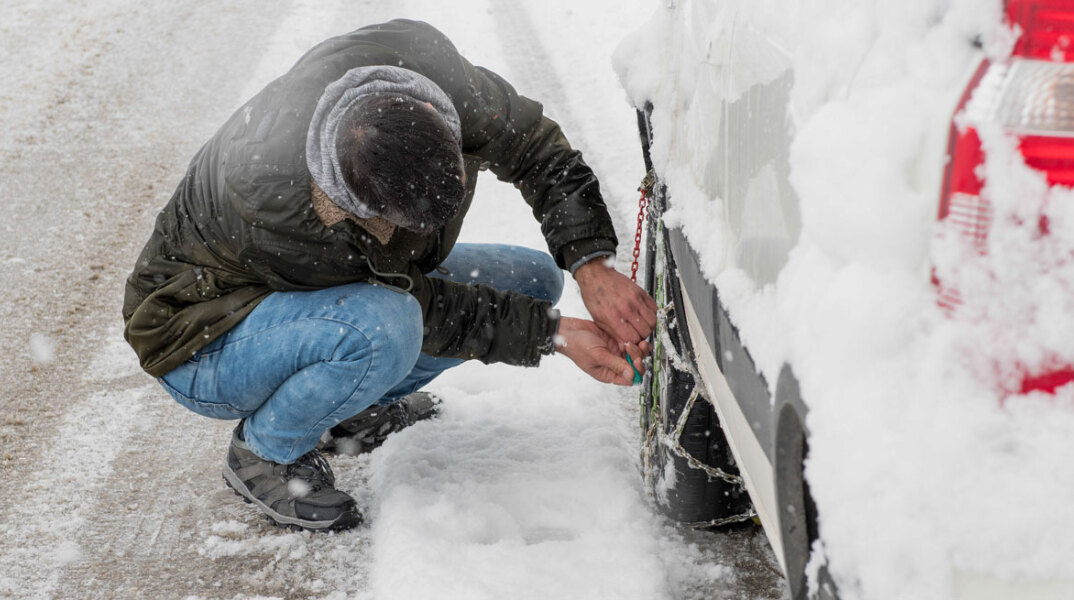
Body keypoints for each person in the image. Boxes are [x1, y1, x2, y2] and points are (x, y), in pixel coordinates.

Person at [123, 19, 657, 531]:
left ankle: (349, 414)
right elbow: (425, 309)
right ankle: (266, 453)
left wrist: (591, 265)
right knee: (385, 327)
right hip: (204, 335)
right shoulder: (279, 202)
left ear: (432, 110)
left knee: (534, 281)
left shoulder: (429, 72)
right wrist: (554, 333)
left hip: (304, 301)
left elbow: (536, 149)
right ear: (353, 200)